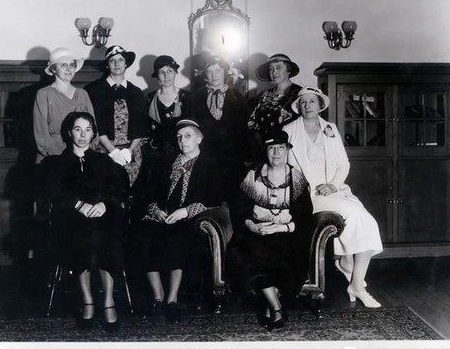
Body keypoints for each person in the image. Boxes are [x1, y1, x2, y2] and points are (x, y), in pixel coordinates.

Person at [283, 86, 383, 308]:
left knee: (367, 222)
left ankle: (350, 270)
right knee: (360, 218)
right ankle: (355, 281)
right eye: (303, 102)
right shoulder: (289, 130)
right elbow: (284, 167)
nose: (307, 106)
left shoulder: (331, 128)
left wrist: (333, 185)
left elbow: (343, 163)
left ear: (320, 105)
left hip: (334, 191)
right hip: (306, 196)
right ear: (298, 107)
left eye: (312, 101)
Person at [37, 112, 129, 332]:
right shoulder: (56, 163)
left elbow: (120, 188)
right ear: (69, 132)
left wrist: (105, 204)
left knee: (108, 236)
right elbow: (53, 192)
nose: (83, 135)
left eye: (88, 129)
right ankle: (87, 301)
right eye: (78, 129)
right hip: (71, 217)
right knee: (80, 236)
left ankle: (108, 301)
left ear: (94, 134)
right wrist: (79, 206)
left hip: (103, 215)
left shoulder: (104, 161)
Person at [226, 130, 313, 331]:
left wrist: (282, 227)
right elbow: (240, 209)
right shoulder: (253, 175)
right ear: (265, 151)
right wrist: (251, 225)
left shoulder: (296, 178)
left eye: (281, 148)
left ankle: (269, 304)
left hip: (286, 232)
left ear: (288, 150)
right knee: (252, 251)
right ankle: (277, 308)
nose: (276, 153)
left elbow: (305, 214)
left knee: (281, 252)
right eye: (272, 148)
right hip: (256, 231)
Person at [136, 118, 222, 322]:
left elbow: (216, 198)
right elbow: (150, 193)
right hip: (163, 215)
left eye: (188, 136)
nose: (183, 141)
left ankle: (172, 300)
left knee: (177, 238)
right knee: (141, 235)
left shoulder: (210, 165)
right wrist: (155, 210)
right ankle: (158, 296)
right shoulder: (167, 163)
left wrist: (187, 211)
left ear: (199, 139)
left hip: (188, 219)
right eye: (179, 137)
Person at [85, 45, 150, 188]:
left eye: (120, 60)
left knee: (129, 191)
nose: (117, 64)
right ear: (107, 65)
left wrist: (130, 150)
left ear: (126, 63)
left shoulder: (136, 92)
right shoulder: (94, 90)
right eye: (112, 60)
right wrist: (113, 151)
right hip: (104, 150)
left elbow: (141, 125)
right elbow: (95, 123)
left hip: (131, 152)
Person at [187, 55, 250, 202]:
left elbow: (243, 132)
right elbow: (190, 128)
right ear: (205, 74)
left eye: (218, 70)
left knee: (231, 198)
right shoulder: (195, 97)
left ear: (225, 72)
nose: (214, 75)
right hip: (204, 158)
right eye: (209, 71)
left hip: (231, 160)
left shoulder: (238, 98)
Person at [33, 47, 95, 164]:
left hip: (81, 157)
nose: (68, 69)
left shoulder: (83, 94)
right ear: (53, 69)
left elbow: (93, 130)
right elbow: (41, 135)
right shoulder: (44, 94)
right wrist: (65, 159)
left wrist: (83, 154)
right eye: (63, 65)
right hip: (52, 157)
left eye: (71, 65)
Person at [248, 53, 302, 136]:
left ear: (288, 70)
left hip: (292, 144)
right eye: (271, 69)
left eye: (279, 67)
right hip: (266, 145)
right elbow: (253, 125)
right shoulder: (264, 95)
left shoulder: (300, 93)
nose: (274, 72)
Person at [147, 55, 190, 156]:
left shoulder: (187, 97)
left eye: (169, 71)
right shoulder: (149, 98)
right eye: (162, 72)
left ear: (175, 73)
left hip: (182, 152)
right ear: (157, 76)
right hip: (155, 155)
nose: (166, 76)